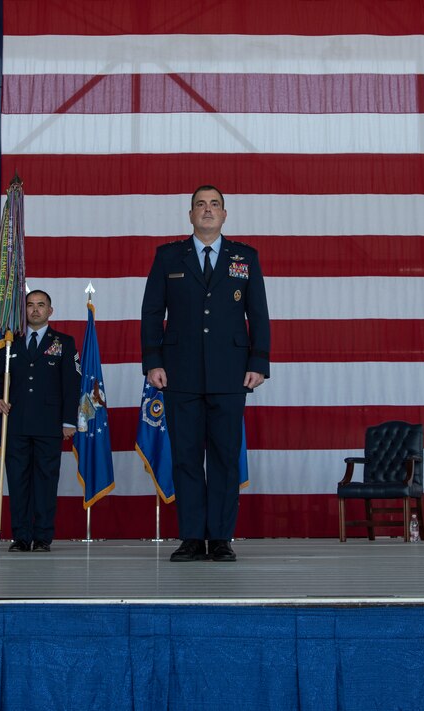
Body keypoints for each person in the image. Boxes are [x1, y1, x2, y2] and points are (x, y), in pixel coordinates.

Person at [140, 185, 270, 562]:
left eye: (215, 205)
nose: (208, 210)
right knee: (186, 458)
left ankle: (222, 537)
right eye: (201, 205)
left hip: (231, 374)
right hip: (179, 373)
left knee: (226, 458)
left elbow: (257, 313)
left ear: (225, 215)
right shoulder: (168, 257)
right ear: (190, 215)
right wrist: (153, 362)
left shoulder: (244, 257)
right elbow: (152, 313)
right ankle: (193, 537)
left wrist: (258, 362)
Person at [0, 290, 80, 552]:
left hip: (49, 425)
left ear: (50, 311)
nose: (35, 310)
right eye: (30, 305)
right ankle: (20, 536)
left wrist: (68, 422)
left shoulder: (63, 342)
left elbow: (71, 384)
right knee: (17, 482)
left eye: (41, 305)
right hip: (15, 423)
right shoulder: (9, 342)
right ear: (24, 310)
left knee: (45, 482)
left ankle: (42, 537)